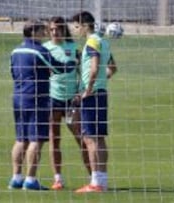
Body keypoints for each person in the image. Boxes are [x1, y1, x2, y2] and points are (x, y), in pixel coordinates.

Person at [8, 19, 76, 191]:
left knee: (20, 138)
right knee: (36, 139)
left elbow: (13, 73)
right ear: (34, 32)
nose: (46, 33)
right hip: (36, 98)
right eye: (42, 30)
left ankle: (16, 178)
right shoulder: (39, 50)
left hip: (18, 96)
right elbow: (59, 69)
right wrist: (73, 62)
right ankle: (30, 180)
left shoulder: (15, 51)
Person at [43, 16, 91, 190]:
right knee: (54, 139)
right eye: (52, 29)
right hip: (52, 99)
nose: (55, 32)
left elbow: (83, 73)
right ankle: (58, 179)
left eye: (58, 29)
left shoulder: (74, 49)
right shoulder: (45, 49)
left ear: (64, 30)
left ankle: (93, 177)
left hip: (71, 101)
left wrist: (80, 92)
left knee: (82, 139)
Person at [71, 11, 117, 193]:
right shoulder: (103, 41)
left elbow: (95, 67)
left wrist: (88, 89)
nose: (75, 31)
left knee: (90, 139)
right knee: (99, 138)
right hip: (101, 93)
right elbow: (113, 68)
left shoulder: (91, 42)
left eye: (76, 26)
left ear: (84, 25)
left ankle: (95, 183)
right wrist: (100, 83)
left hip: (91, 95)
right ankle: (101, 181)